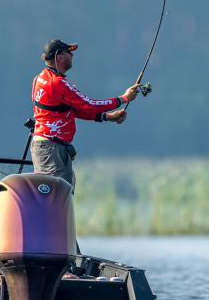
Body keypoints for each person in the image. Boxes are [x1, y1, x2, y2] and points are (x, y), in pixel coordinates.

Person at [30, 39, 139, 190]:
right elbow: (89, 105)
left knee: (59, 195)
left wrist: (106, 116)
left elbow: (69, 111)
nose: (72, 56)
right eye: (69, 52)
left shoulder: (40, 78)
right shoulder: (57, 83)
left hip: (48, 147)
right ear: (59, 57)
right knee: (57, 198)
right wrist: (123, 98)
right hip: (52, 148)